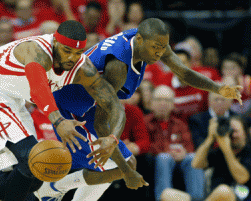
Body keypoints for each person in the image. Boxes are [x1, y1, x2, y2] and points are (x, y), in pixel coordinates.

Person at [32, 18, 242, 201]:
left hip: (93, 105)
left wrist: (218, 87)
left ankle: (55, 188)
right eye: (155, 49)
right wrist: (115, 149)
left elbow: (183, 72)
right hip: (72, 108)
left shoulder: (153, 39)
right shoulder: (117, 67)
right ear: (140, 40)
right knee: (117, 167)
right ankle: (54, 187)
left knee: (126, 163)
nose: (160, 54)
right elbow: (104, 120)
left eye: (163, 48)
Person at [0, 20, 134, 201]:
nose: (72, 57)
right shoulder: (36, 51)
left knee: (36, 175)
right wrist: (59, 121)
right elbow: (39, 89)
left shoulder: (82, 68)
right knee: (32, 161)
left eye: (77, 53)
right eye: (67, 50)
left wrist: (112, 137)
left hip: (12, 98)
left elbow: (113, 103)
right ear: (55, 42)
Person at [164, 116, 251, 201]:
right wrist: (209, 139)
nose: (231, 135)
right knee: (168, 194)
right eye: (229, 130)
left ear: (245, 133)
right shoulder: (220, 151)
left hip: (239, 198)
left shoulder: (248, 152)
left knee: (224, 191)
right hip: (212, 198)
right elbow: (196, 164)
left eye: (235, 131)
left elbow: (242, 178)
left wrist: (226, 149)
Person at [144, 85, 204, 201]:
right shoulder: (144, 122)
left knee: (193, 158)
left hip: (179, 162)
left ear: (173, 104)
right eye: (159, 99)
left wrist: (184, 153)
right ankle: (164, 198)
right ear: (151, 103)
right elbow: (145, 145)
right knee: (164, 157)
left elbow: (189, 147)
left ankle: (197, 198)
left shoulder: (180, 123)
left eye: (167, 100)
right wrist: (167, 151)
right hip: (155, 161)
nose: (163, 103)